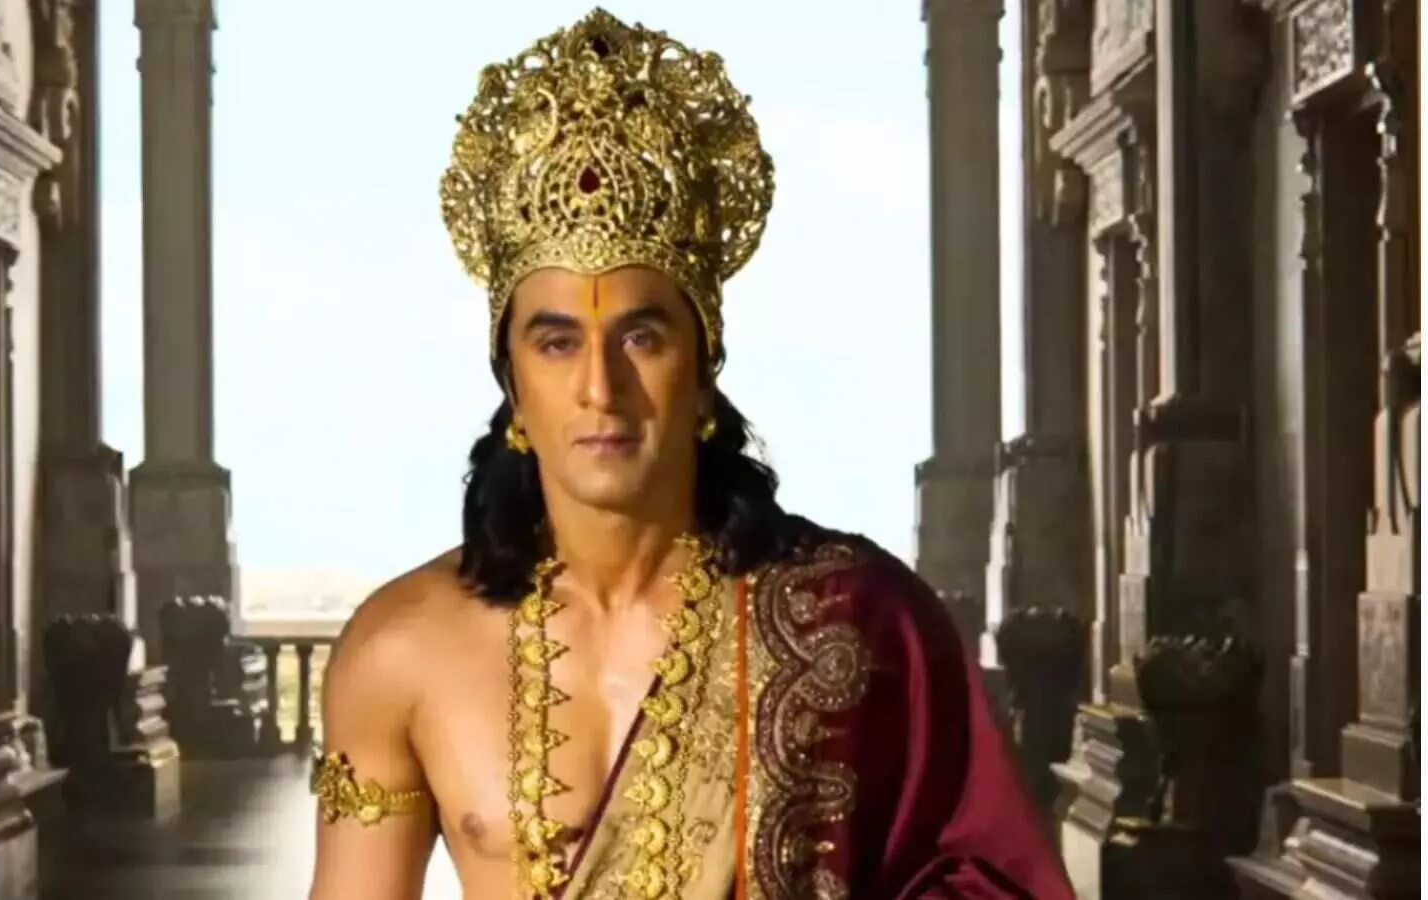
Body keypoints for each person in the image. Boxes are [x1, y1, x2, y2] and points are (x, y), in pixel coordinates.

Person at [307, 9, 1074, 900]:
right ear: (511, 381)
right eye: (556, 343)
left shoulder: (855, 622)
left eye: (642, 338)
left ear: (704, 371)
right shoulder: (399, 651)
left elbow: (989, 877)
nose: (601, 387)